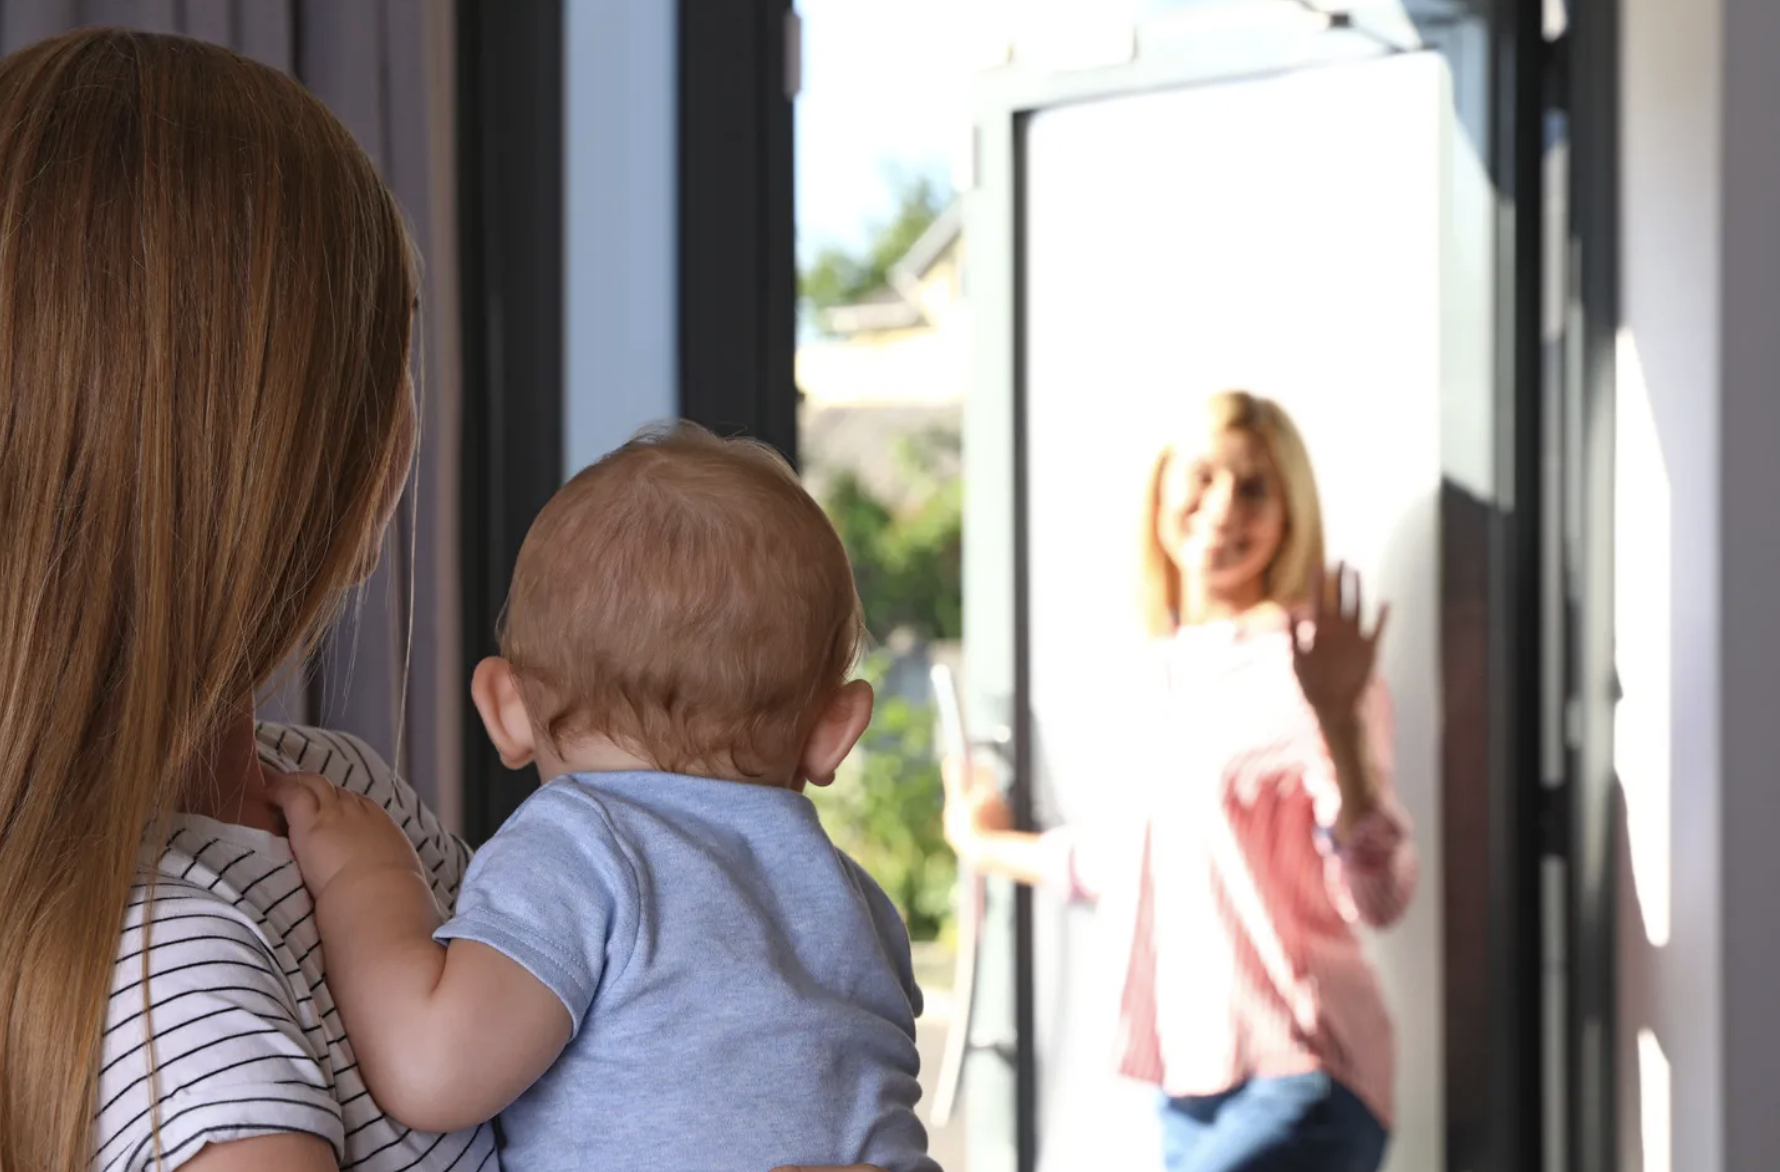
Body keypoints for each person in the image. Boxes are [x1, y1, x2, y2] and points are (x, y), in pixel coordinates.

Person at [0, 28, 884, 1172]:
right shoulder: (163, 957)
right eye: (389, 365)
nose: (407, 427)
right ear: (287, 450)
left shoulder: (340, 789)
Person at [268, 423, 939, 1172]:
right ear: (834, 728)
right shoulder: (858, 906)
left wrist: (370, 881)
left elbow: (432, 1067)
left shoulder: (579, 846)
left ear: (505, 706)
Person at [945, 390, 1417, 1172]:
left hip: (1305, 1076)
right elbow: (1126, 861)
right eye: (1203, 477)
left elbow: (1382, 895)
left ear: (1289, 515)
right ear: (1162, 489)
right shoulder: (1155, 672)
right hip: (1187, 1087)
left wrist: (1338, 720)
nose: (1223, 507)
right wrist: (987, 845)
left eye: (1255, 487)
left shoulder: (1313, 667)